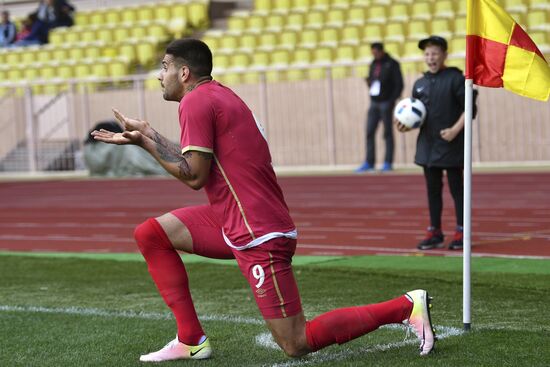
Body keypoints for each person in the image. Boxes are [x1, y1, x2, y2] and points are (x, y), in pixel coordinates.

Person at [91, 38, 435, 362]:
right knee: (151, 234)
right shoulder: (217, 95)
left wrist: (146, 145)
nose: (159, 75)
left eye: (164, 67)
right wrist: (150, 133)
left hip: (258, 233)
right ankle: (191, 340)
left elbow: (194, 176)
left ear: (184, 73)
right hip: (238, 220)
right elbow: (199, 158)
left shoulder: (195, 102)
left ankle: (405, 307)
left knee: (296, 342)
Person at [397, 35, 476, 251]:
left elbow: (470, 109)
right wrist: (404, 125)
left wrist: (454, 130)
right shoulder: (420, 84)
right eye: (427, 54)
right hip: (428, 147)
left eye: (435, 53)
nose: (430, 57)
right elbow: (417, 116)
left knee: (457, 190)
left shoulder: (456, 79)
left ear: (444, 55)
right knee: (432, 191)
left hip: (450, 145)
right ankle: (435, 231)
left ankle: (462, 231)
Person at [356, 42, 403, 173]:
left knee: (387, 133)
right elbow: (373, 80)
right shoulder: (373, 63)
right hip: (374, 102)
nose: (374, 55)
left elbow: (399, 84)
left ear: (381, 51)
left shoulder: (392, 64)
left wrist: (391, 100)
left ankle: (388, 162)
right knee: (369, 132)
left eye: (376, 52)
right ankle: (369, 162)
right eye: (373, 53)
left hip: (386, 102)